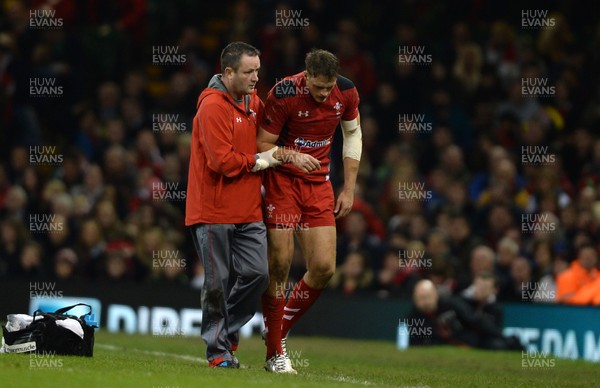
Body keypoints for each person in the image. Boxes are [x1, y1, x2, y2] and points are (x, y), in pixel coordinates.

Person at [257, 49, 362, 373]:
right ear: (306, 77)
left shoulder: (346, 91)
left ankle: (276, 331)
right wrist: (290, 155)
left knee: (323, 268)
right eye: (317, 87)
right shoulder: (284, 92)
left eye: (327, 88)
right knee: (280, 266)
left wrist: (349, 187)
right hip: (283, 183)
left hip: (318, 186)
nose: (323, 93)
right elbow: (261, 145)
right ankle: (275, 353)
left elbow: (353, 134)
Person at [185, 42, 280, 369]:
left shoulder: (255, 101)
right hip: (213, 211)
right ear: (228, 73)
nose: (256, 77)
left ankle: (226, 330)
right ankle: (218, 352)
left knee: (257, 273)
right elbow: (221, 162)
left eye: (257, 70)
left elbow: (268, 139)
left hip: (249, 209)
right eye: (248, 71)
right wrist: (259, 161)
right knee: (217, 283)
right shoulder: (212, 107)